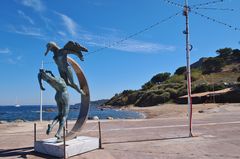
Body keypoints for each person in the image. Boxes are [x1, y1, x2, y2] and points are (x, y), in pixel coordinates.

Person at [38, 69, 69, 139]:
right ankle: (58, 133)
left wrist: (41, 85)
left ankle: (52, 125)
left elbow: (39, 75)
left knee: (59, 114)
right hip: (64, 95)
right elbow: (52, 78)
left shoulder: (49, 81)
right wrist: (45, 73)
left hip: (57, 95)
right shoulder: (60, 80)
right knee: (64, 116)